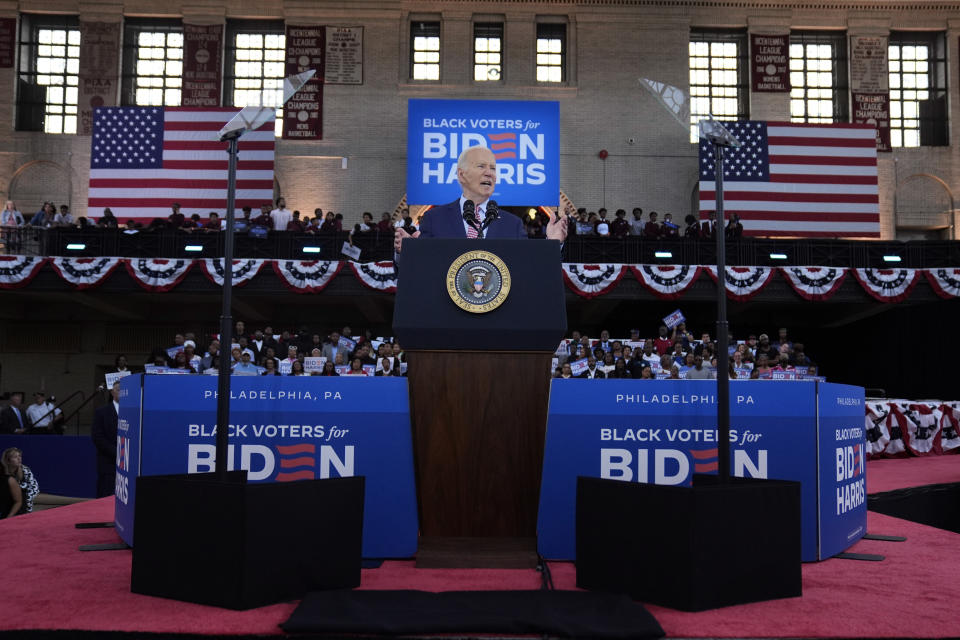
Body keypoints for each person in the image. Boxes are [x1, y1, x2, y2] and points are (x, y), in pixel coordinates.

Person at [394, 146, 568, 251]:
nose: (489, 173)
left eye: (493, 168)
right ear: (461, 174)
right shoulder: (434, 219)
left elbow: (530, 267)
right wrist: (407, 252)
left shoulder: (512, 224)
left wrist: (552, 244)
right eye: (481, 166)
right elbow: (421, 268)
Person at [91, 383, 120, 498]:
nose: (122, 392)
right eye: (118, 390)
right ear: (112, 392)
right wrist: (117, 452)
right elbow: (98, 437)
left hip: (128, 465)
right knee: (106, 496)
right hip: (108, 463)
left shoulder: (134, 411)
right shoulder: (102, 412)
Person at [1, 449, 25, 519]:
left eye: (19, 456)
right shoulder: (6, 477)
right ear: (8, 461)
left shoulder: (24, 473)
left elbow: (19, 501)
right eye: (15, 457)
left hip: (21, 510)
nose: (19, 458)